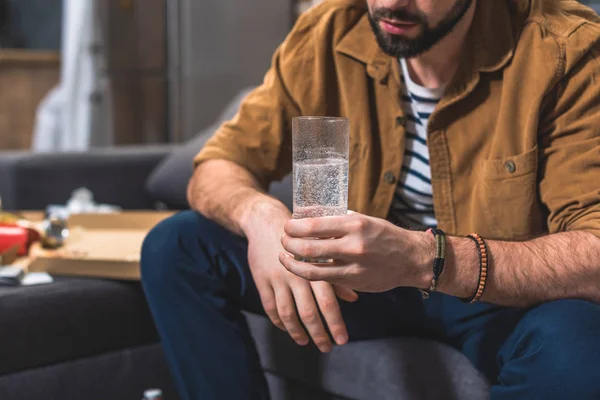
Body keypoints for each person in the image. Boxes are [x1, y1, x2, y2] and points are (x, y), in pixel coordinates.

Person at [140, 0, 600, 398]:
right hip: (362, 280)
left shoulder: (565, 47)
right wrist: (261, 217)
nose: (389, 4)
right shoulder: (331, 30)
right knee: (177, 245)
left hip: (498, 293)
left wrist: (424, 258)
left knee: (577, 343)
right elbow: (218, 166)